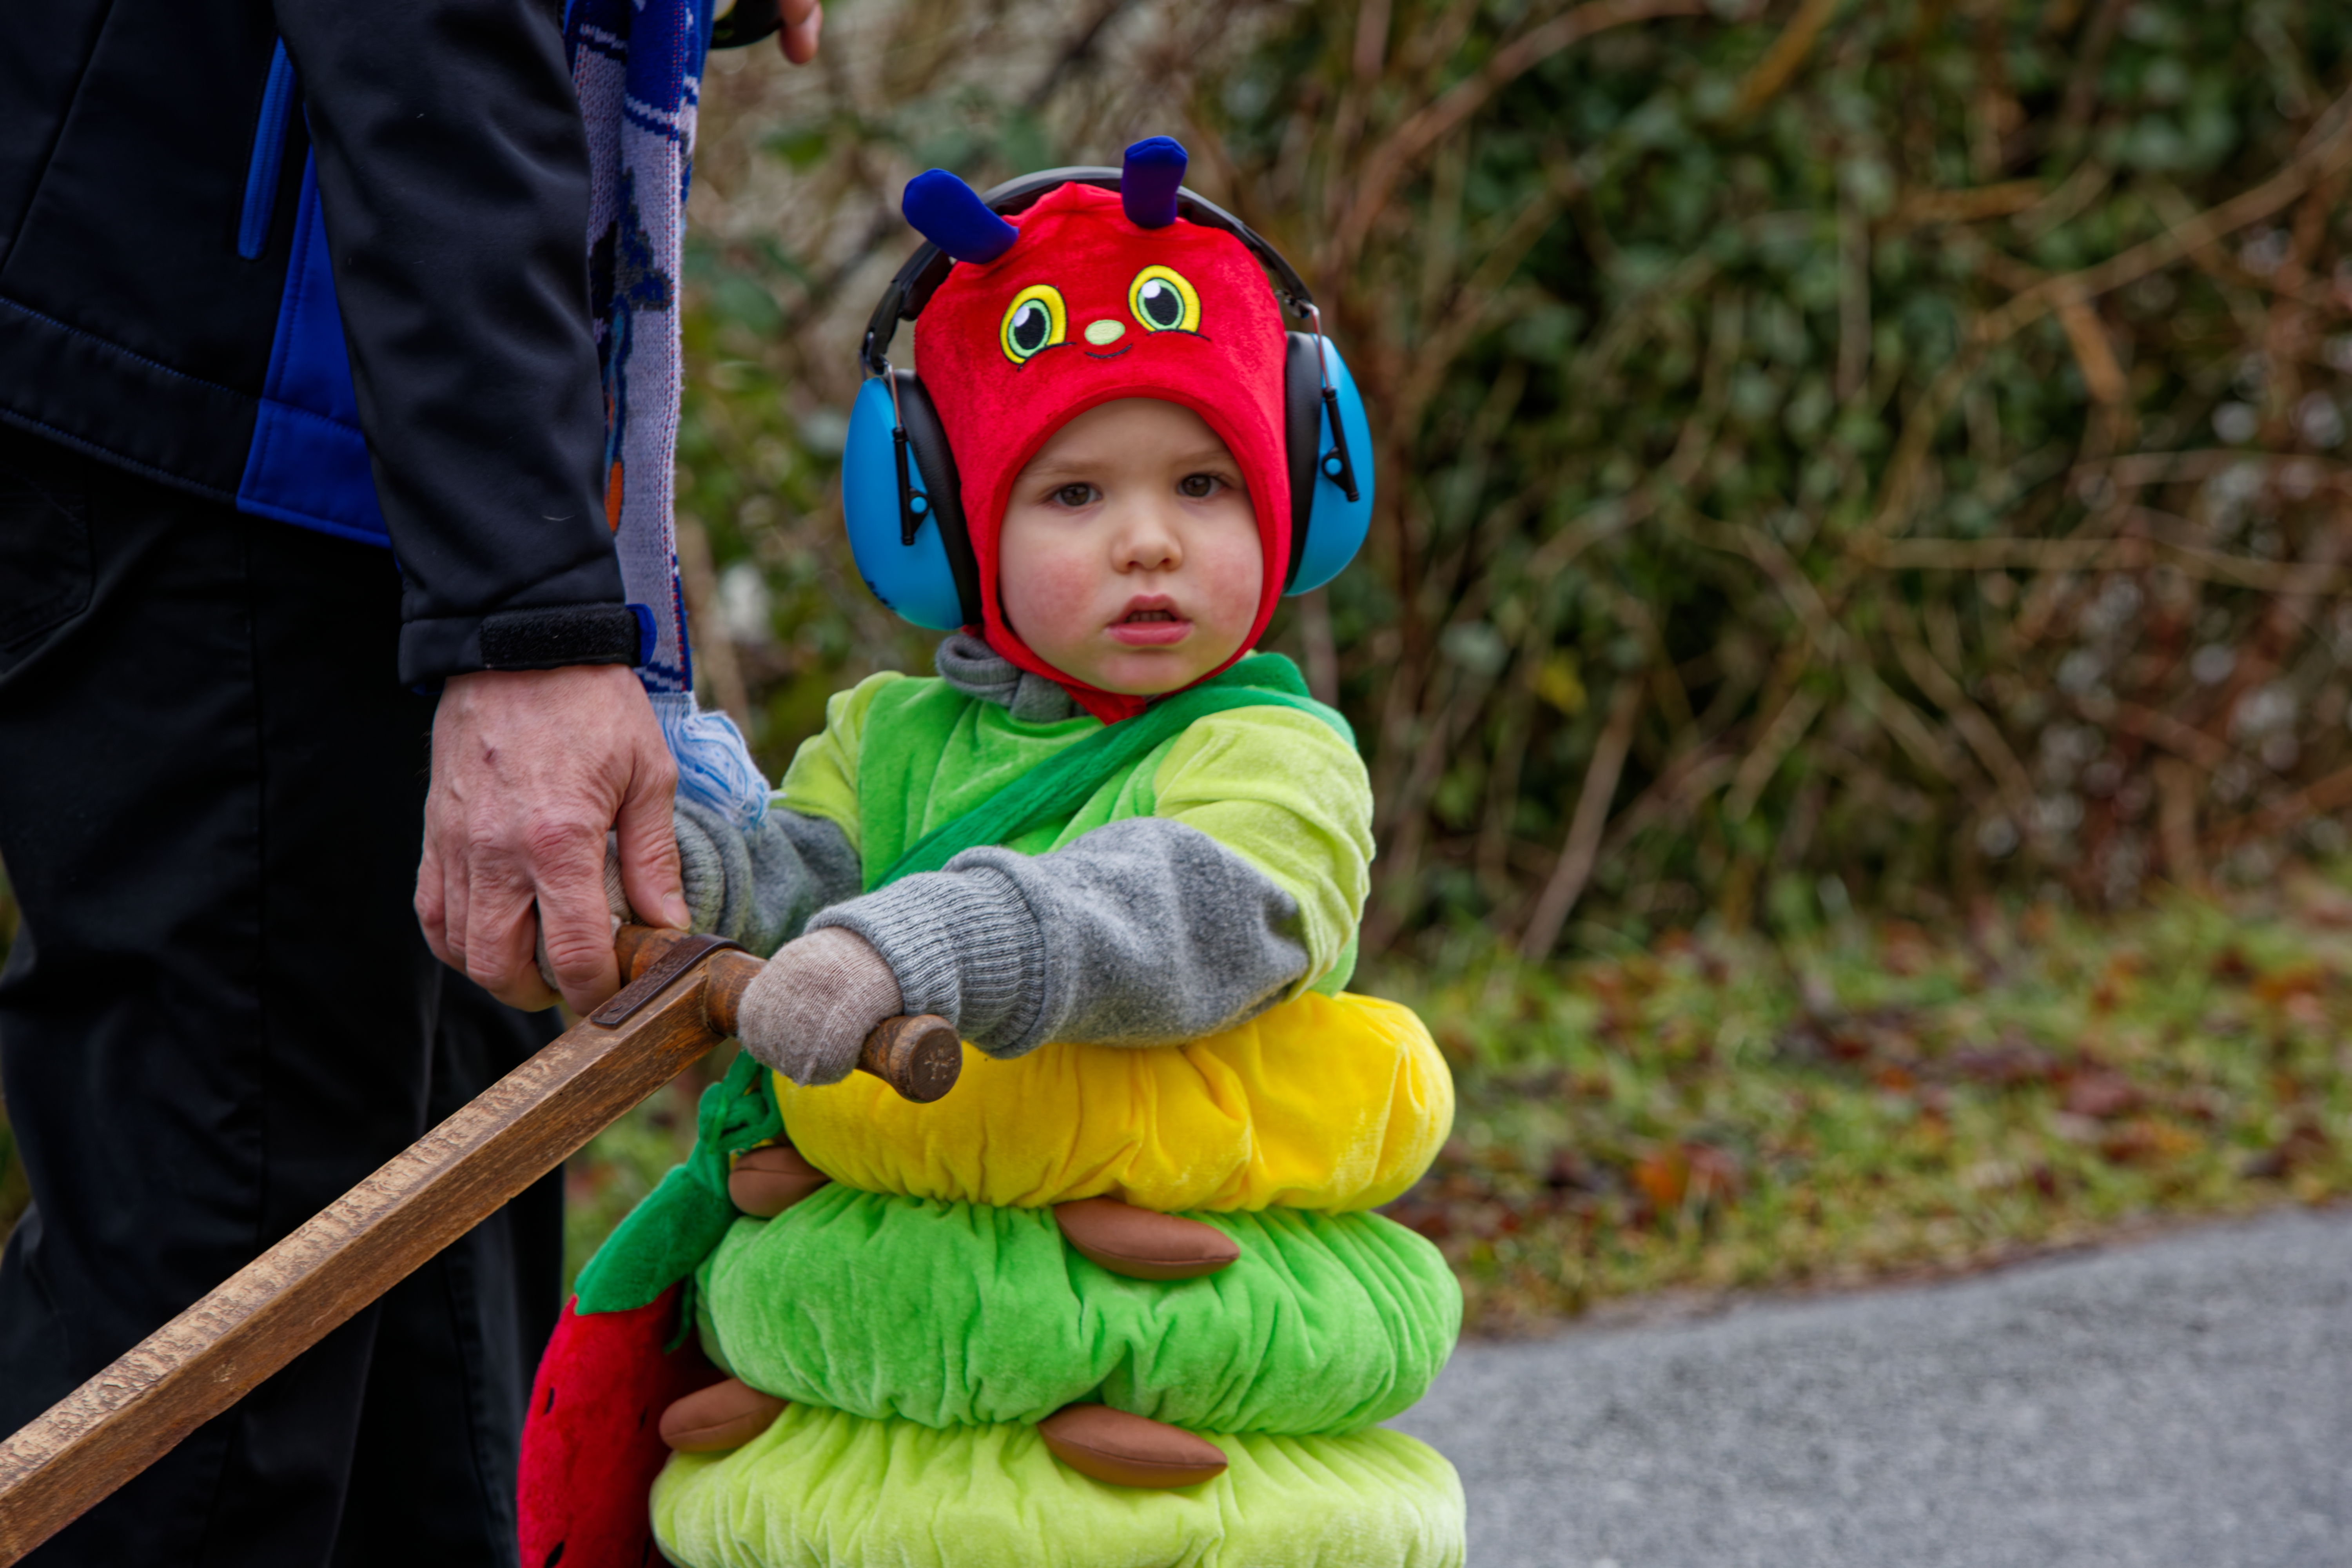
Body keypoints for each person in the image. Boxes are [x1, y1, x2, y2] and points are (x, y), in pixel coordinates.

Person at [517, 145, 1466, 1568]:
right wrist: (664, 877)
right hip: (897, 1390)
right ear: (942, 522)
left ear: (1301, 495)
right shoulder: (889, 743)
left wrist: (923, 945)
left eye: (1204, 483)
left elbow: (1196, 909)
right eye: (1073, 495)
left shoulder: (1275, 758)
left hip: (1166, 1376)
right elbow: (786, 888)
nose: (1151, 542)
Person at [0, 0, 813, 1561]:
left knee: (418, 1315)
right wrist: (523, 616)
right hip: (231, 420)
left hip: (345, 434)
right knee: (222, 1339)